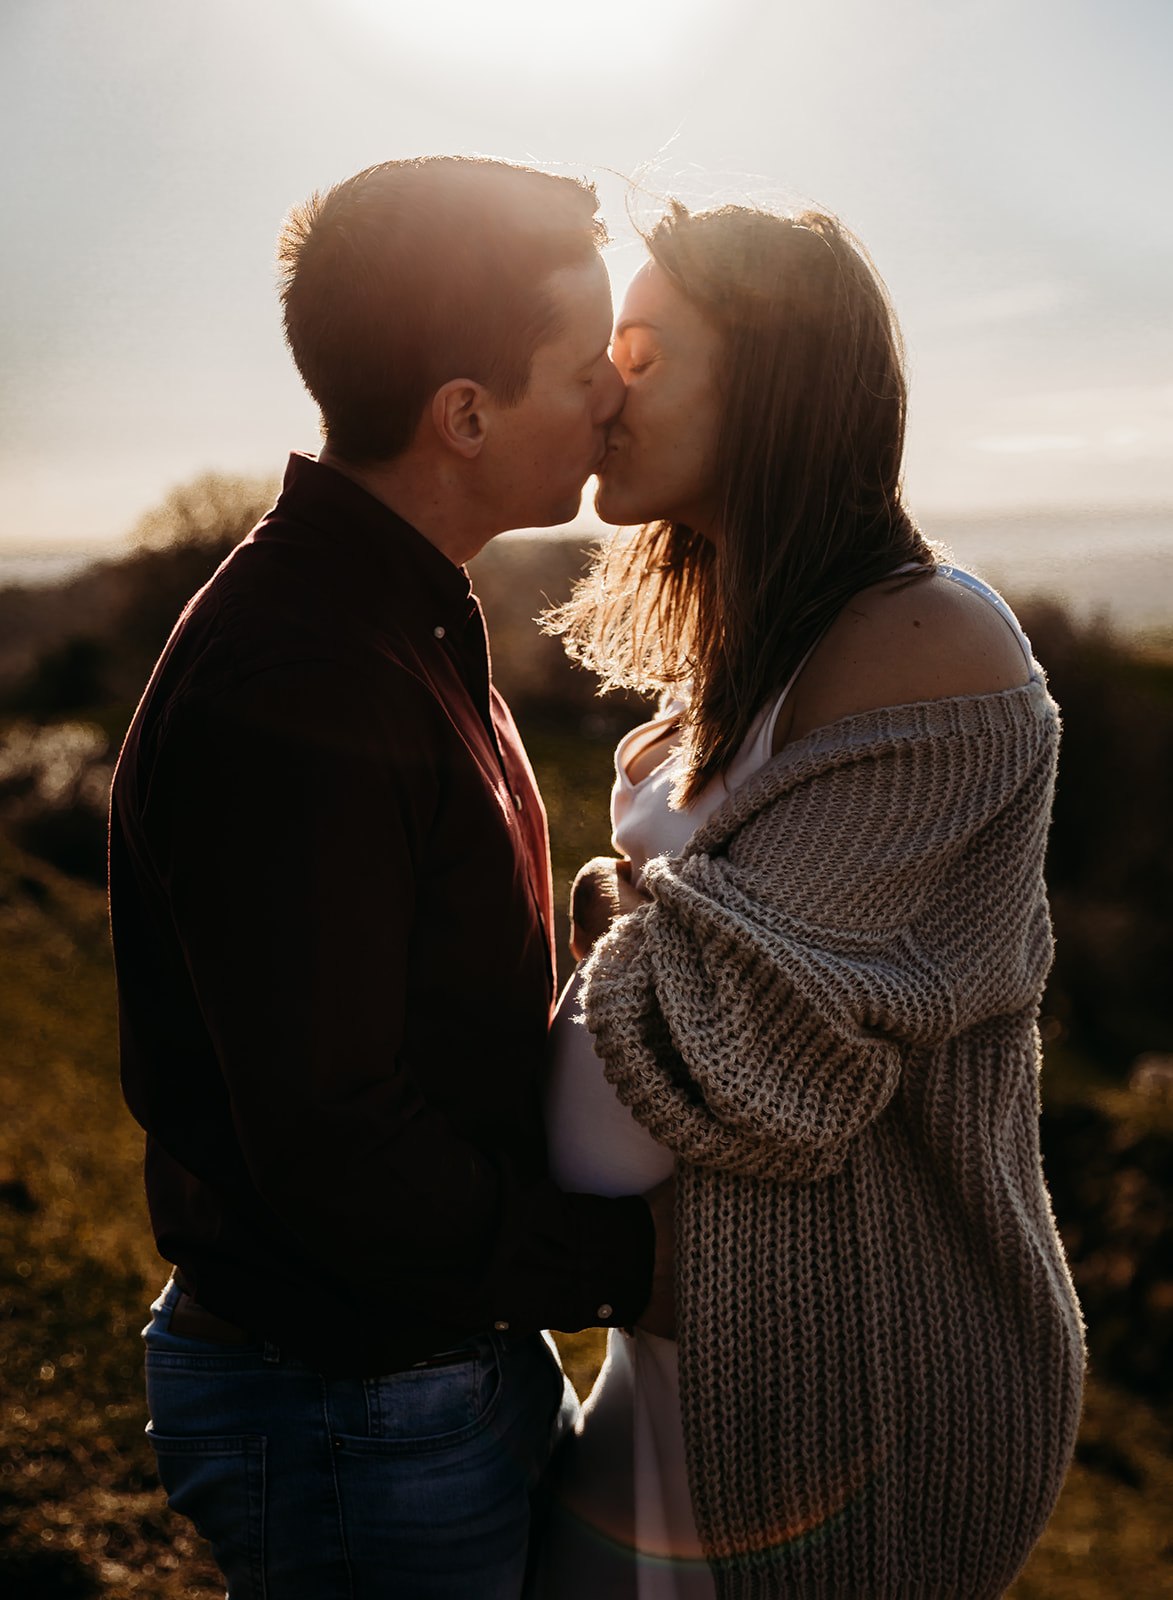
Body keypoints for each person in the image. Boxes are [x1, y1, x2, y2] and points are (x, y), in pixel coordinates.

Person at [107, 156, 669, 1599]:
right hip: (352, 1404)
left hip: (416, 1370)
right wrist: (628, 1256)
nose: (614, 394)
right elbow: (334, 1134)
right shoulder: (304, 678)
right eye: (583, 364)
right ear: (464, 416)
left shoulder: (394, 618)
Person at [535, 202, 1085, 1598]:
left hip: (852, 1387)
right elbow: (684, 970)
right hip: (678, 1356)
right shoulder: (744, 652)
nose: (606, 385)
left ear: (777, 378)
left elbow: (756, 1063)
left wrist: (611, 916)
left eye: (648, 349)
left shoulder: (920, 641)